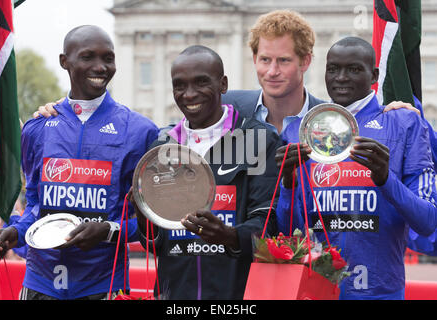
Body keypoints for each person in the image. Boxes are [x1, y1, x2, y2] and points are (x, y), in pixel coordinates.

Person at [0, 25, 159, 300]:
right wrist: (16, 232)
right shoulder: (37, 128)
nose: (100, 67)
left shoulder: (141, 131)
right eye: (88, 56)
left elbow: (152, 222)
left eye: (108, 58)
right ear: (64, 62)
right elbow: (35, 205)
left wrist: (110, 232)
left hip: (104, 285)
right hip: (39, 283)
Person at [275, 36, 437, 300]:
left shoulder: (404, 122)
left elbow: (429, 221)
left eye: (353, 69)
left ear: (374, 74)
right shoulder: (299, 130)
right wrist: (287, 185)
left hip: (380, 291)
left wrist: (386, 180)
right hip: (314, 290)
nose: (341, 77)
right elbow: (288, 231)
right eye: (333, 69)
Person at [129, 45, 281, 299]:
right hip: (176, 294)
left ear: (223, 84)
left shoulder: (258, 139)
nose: (189, 94)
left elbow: (269, 224)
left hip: (238, 295)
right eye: (179, 85)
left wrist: (230, 237)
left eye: (201, 83)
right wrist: (143, 212)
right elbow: (156, 244)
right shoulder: (162, 149)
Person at [222, 9, 325, 136]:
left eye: (283, 60)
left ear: (305, 61)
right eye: (265, 60)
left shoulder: (331, 120)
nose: (272, 71)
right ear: (255, 59)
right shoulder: (225, 108)